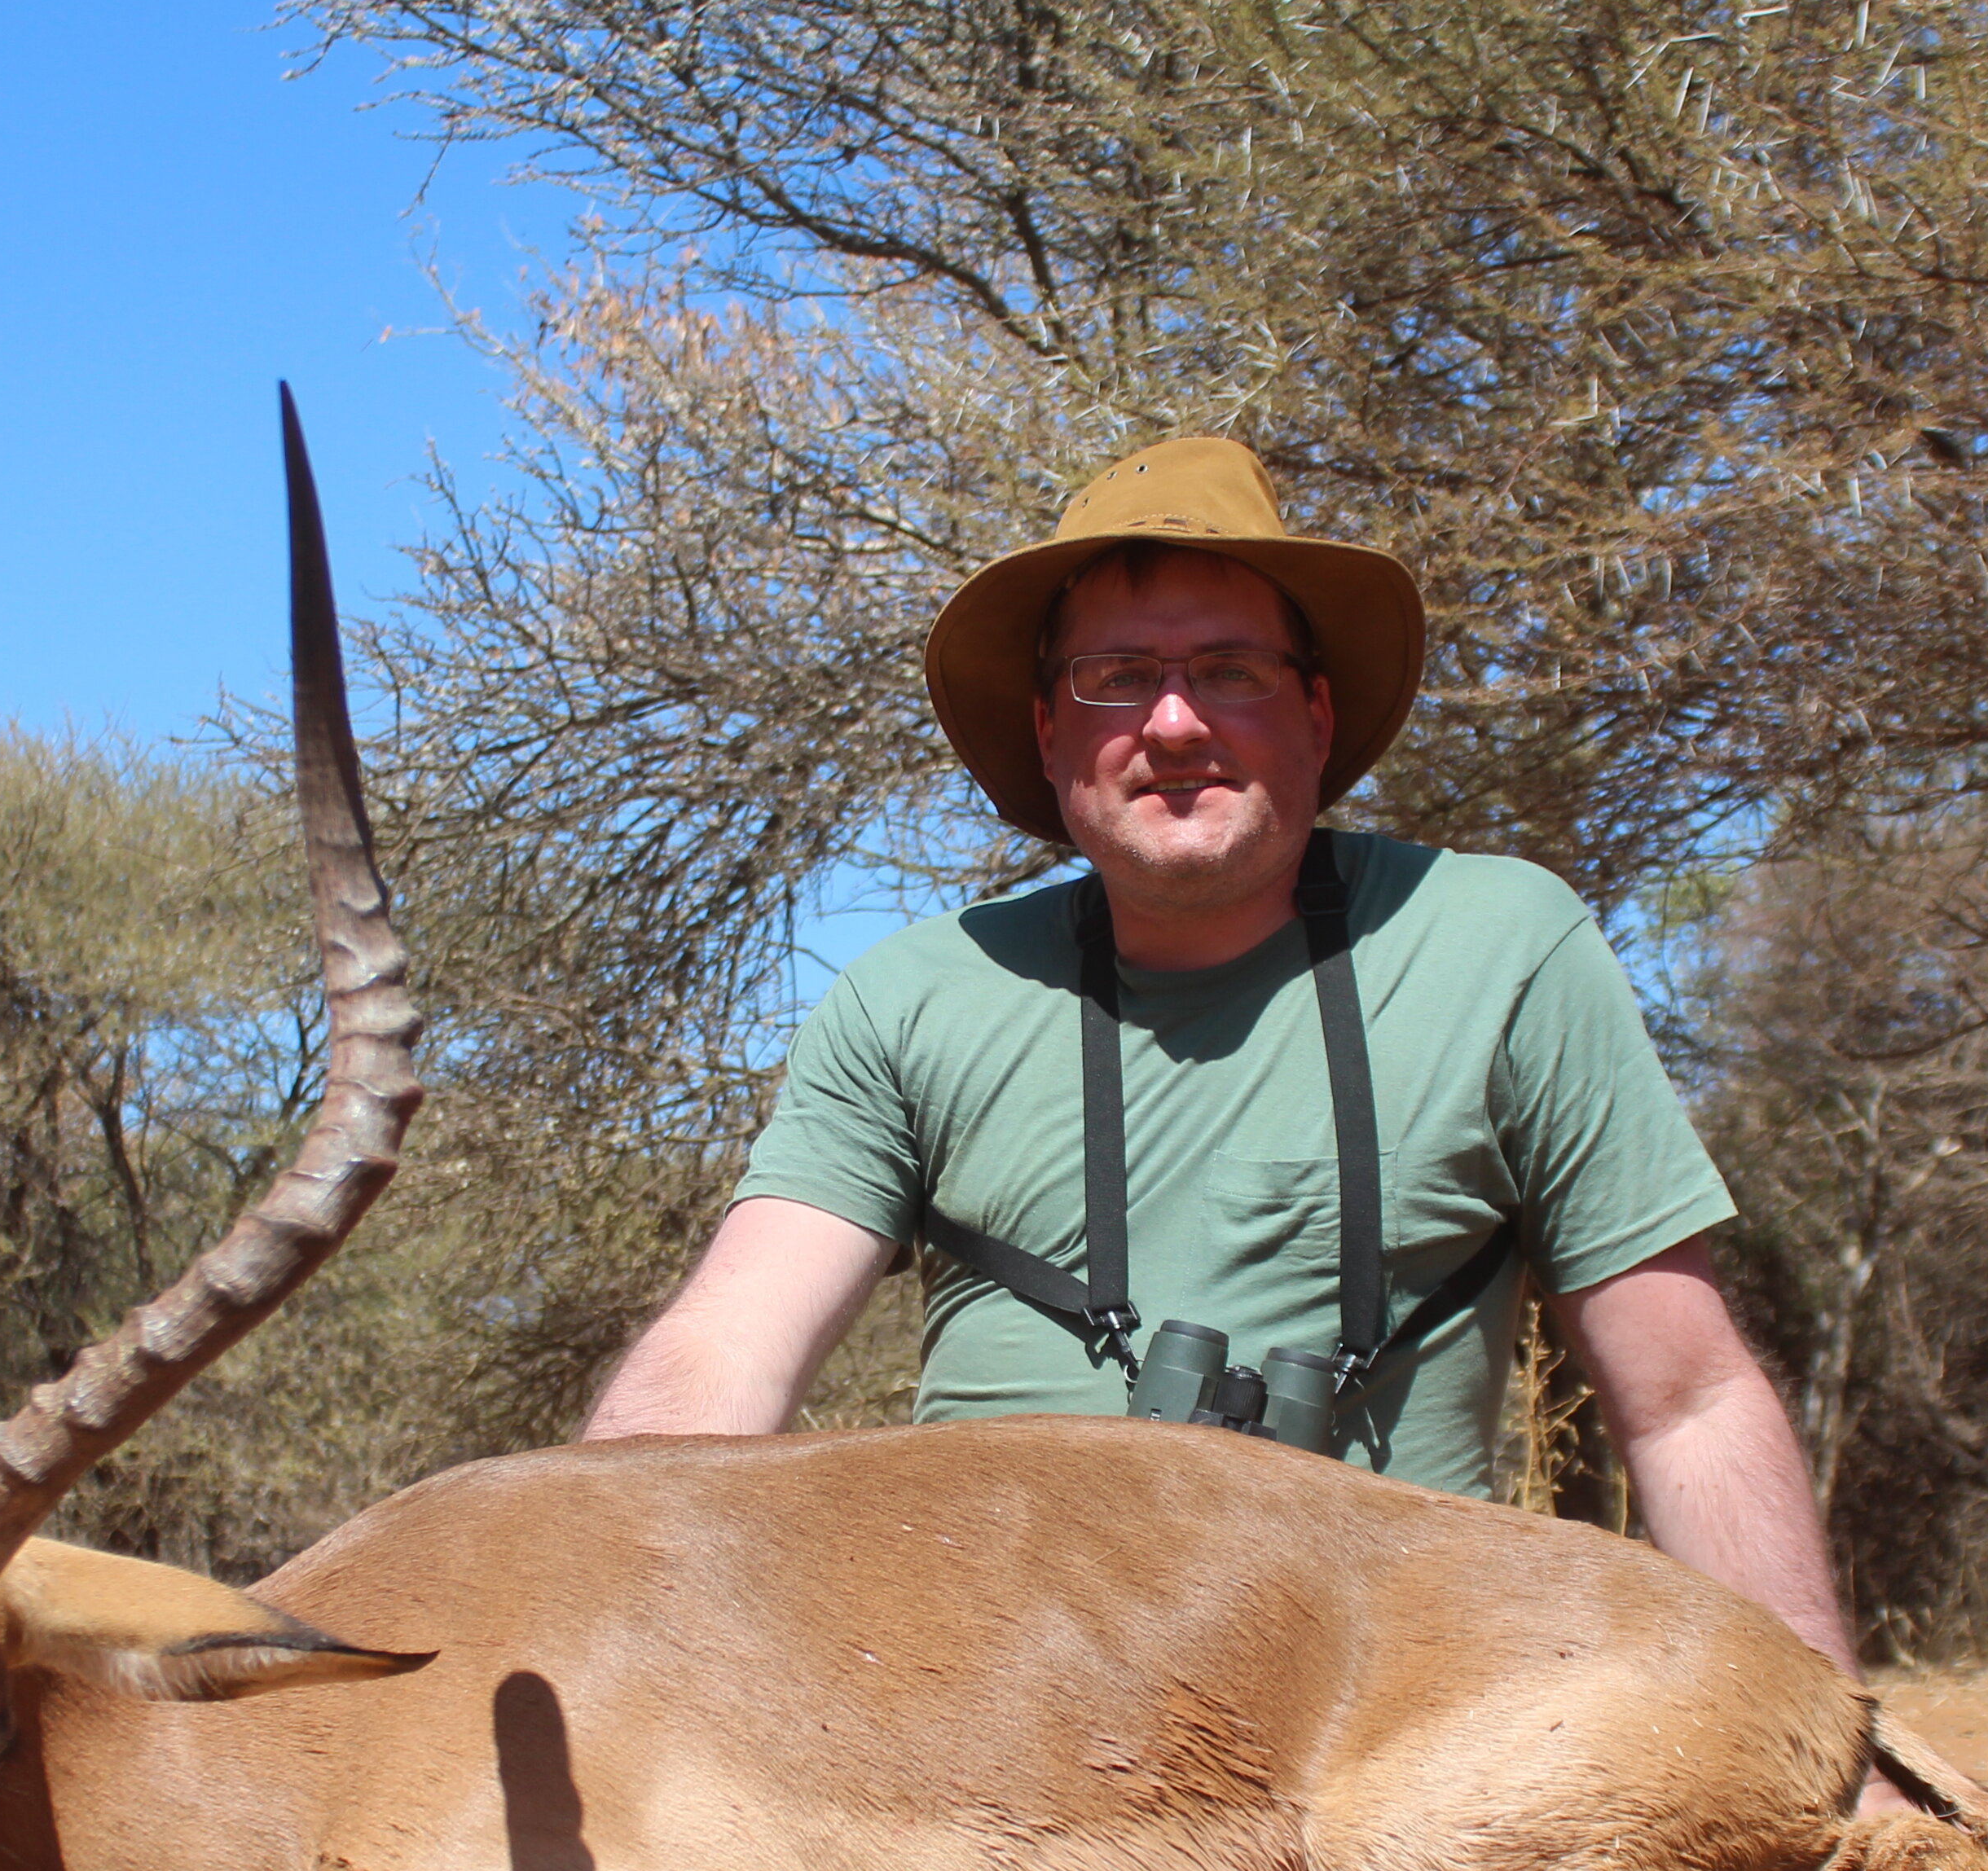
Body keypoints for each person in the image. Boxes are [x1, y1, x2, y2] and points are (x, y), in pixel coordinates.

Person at [581, 435, 1889, 1685]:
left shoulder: (1507, 944)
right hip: (977, 1697)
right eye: (1114, 678)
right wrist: (568, 1597)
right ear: (1047, 734)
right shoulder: (909, 997)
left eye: (1231, 670)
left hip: (1401, 1705)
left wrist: (1844, 1767)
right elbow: (729, 1347)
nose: (1172, 723)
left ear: (1316, 713)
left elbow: (1689, 1399)